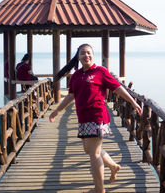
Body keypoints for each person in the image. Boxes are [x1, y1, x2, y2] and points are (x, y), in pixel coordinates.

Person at [49, 44, 142, 193]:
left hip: (97, 116)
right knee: (89, 149)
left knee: (94, 153)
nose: (86, 56)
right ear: (78, 57)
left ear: (93, 55)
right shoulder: (76, 76)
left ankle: (99, 190)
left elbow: (118, 87)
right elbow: (71, 95)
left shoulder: (100, 72)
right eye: (83, 53)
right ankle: (113, 166)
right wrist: (57, 111)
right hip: (83, 118)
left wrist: (133, 102)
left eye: (89, 53)